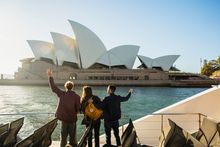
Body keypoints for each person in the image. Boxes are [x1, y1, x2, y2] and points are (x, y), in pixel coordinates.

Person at [47, 69, 80, 147]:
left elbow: (53, 87)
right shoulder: (77, 97)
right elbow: (78, 109)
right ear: (72, 87)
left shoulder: (61, 94)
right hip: (72, 120)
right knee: (73, 138)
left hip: (64, 120)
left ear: (65, 87)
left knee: (63, 138)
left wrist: (50, 76)